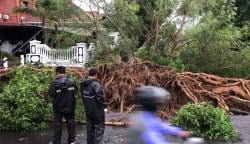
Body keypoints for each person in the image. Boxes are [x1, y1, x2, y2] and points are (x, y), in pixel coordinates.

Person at [47, 66, 77, 144]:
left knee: (57, 125)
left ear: (57, 73)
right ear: (64, 72)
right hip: (70, 106)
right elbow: (75, 91)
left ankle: (57, 141)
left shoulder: (55, 82)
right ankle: (72, 141)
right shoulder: (72, 81)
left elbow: (51, 94)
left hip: (58, 107)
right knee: (71, 124)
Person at [80, 68, 107, 144]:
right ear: (95, 75)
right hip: (97, 112)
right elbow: (99, 97)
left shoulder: (82, 84)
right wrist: (105, 106)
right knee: (99, 129)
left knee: (90, 130)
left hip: (88, 111)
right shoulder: (96, 84)